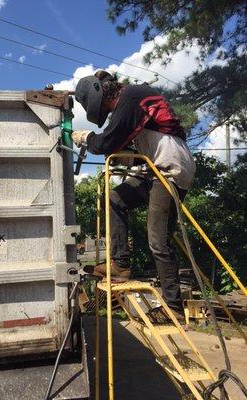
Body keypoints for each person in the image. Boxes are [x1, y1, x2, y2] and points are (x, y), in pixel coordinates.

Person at [72, 70, 195, 320]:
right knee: (116, 198)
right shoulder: (133, 105)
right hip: (155, 169)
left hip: (170, 170)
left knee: (157, 240)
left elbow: (106, 141)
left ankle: (173, 308)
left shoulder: (132, 97)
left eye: (103, 109)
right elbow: (123, 144)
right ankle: (121, 264)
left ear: (101, 93)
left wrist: (86, 138)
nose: (107, 115)